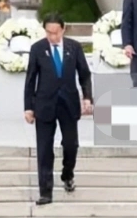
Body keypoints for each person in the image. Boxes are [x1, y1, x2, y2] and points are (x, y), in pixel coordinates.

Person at [23, 13, 93, 206]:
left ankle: (67, 173)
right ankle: (46, 191)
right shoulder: (37, 49)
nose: (52, 36)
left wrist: (87, 97)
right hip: (44, 104)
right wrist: (28, 107)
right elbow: (30, 80)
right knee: (44, 149)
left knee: (71, 145)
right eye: (48, 32)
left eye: (55, 32)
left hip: (68, 103)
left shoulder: (74, 47)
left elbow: (84, 75)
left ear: (63, 30)